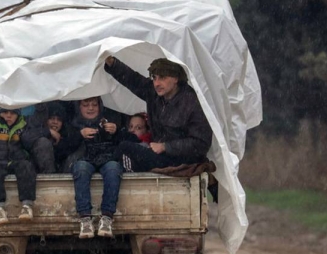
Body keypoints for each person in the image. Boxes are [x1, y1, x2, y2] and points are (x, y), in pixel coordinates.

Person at [105, 56, 212, 172]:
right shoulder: (154, 93)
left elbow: (201, 143)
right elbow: (133, 80)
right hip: (158, 154)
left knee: (125, 148)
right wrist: (113, 63)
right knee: (125, 139)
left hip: (181, 159)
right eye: (154, 78)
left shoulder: (191, 102)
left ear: (175, 78)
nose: (156, 83)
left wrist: (165, 146)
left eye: (162, 78)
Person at [70, 97, 123, 239]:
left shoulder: (108, 121)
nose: (91, 108)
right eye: (86, 105)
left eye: (94, 104)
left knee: (114, 168)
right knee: (80, 168)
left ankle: (107, 217)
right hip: (84, 159)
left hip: (107, 158)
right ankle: (85, 218)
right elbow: (62, 147)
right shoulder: (73, 124)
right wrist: (79, 135)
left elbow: (125, 142)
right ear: (79, 107)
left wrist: (116, 131)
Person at [0, 101, 36, 225]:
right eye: (5, 112)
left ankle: (27, 205)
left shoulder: (23, 123)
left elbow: (32, 135)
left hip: (16, 160)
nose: (9, 116)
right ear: (0, 113)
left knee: (27, 166)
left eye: (12, 113)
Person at [22, 101, 81, 173]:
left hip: (62, 177)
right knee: (43, 143)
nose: (55, 122)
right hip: (39, 176)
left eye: (59, 120)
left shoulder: (67, 134)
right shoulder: (36, 131)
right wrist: (48, 132)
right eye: (52, 118)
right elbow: (25, 138)